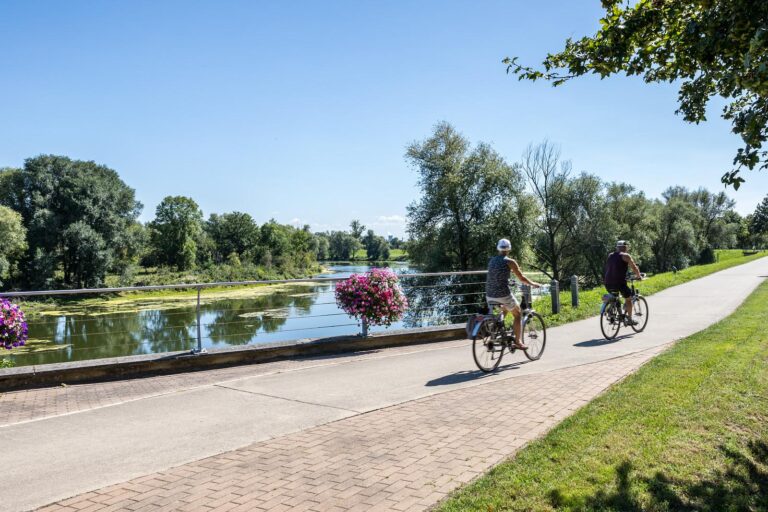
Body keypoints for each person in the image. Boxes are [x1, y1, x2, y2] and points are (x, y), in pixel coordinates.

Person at [486, 238, 541, 349]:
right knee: (518, 313)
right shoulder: (510, 261)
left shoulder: (492, 260)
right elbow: (521, 278)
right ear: (509, 249)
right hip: (503, 294)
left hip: (489, 294)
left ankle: (494, 333)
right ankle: (518, 341)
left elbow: (497, 275)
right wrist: (533, 283)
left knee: (505, 308)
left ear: (498, 248)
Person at [604, 240, 644, 325]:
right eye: (626, 247)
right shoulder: (626, 256)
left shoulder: (610, 255)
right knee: (629, 299)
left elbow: (612, 267)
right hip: (619, 283)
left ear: (617, 247)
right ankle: (629, 320)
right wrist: (638, 276)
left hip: (607, 282)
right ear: (625, 247)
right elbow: (634, 267)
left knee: (615, 296)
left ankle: (611, 310)